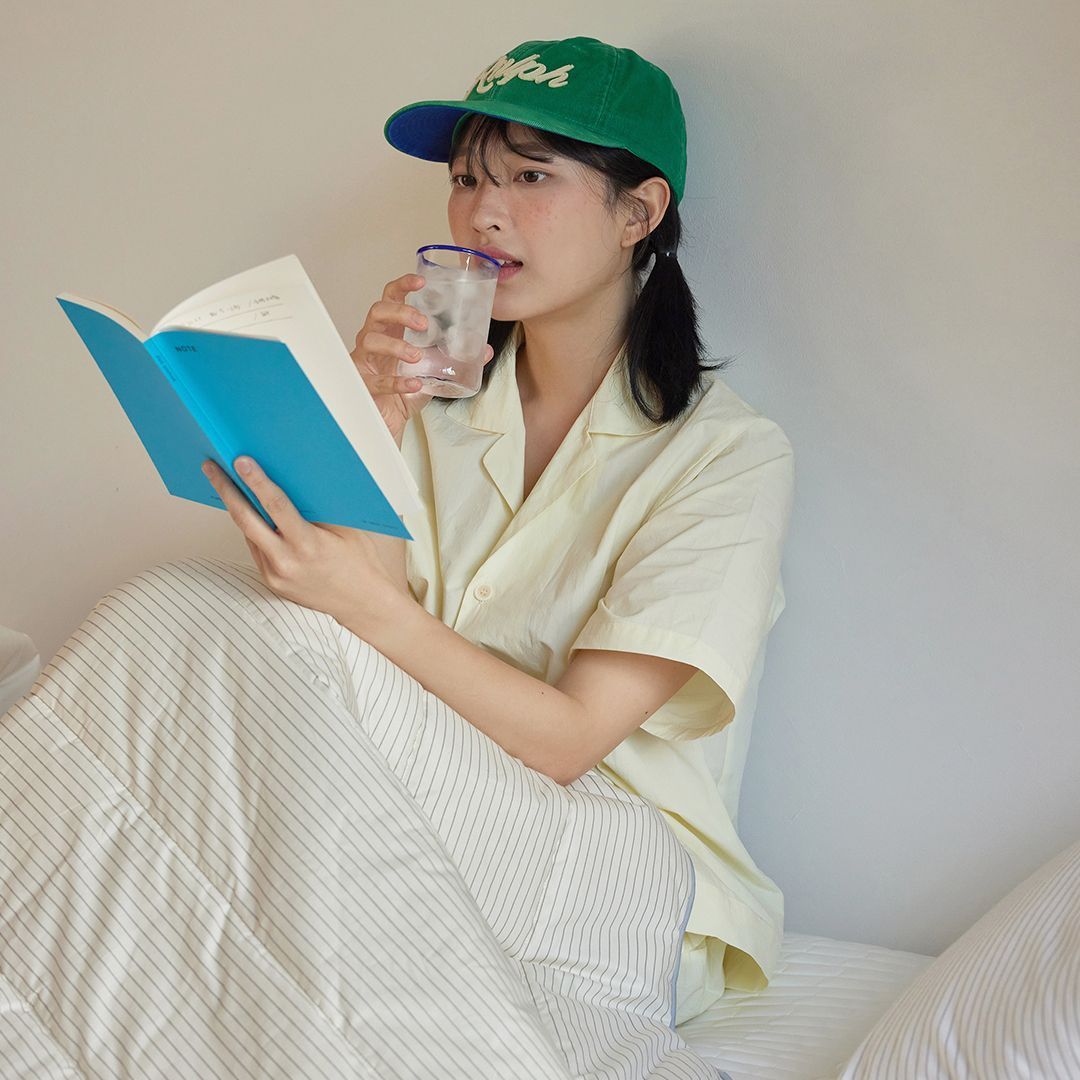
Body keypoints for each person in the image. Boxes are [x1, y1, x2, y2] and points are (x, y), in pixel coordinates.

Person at [1, 35, 791, 1080]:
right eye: (466, 179)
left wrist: (354, 602)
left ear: (638, 213)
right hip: (428, 807)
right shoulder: (442, 400)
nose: (483, 213)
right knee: (177, 612)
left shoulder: (726, 457)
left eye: (529, 178)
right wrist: (370, 414)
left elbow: (565, 741)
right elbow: (356, 643)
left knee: (182, 609)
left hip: (616, 874)